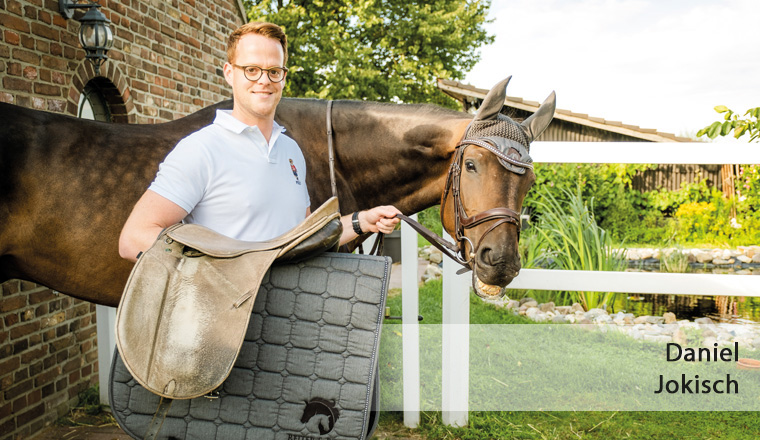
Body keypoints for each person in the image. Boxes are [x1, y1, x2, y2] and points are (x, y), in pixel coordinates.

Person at [119, 21, 400, 262]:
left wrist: (363, 221)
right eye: (251, 70)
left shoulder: (290, 151)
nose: (264, 80)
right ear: (230, 73)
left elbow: (301, 237)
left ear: (283, 77)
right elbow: (134, 239)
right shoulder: (201, 149)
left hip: (285, 315)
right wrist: (216, 272)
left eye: (273, 71)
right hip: (227, 319)